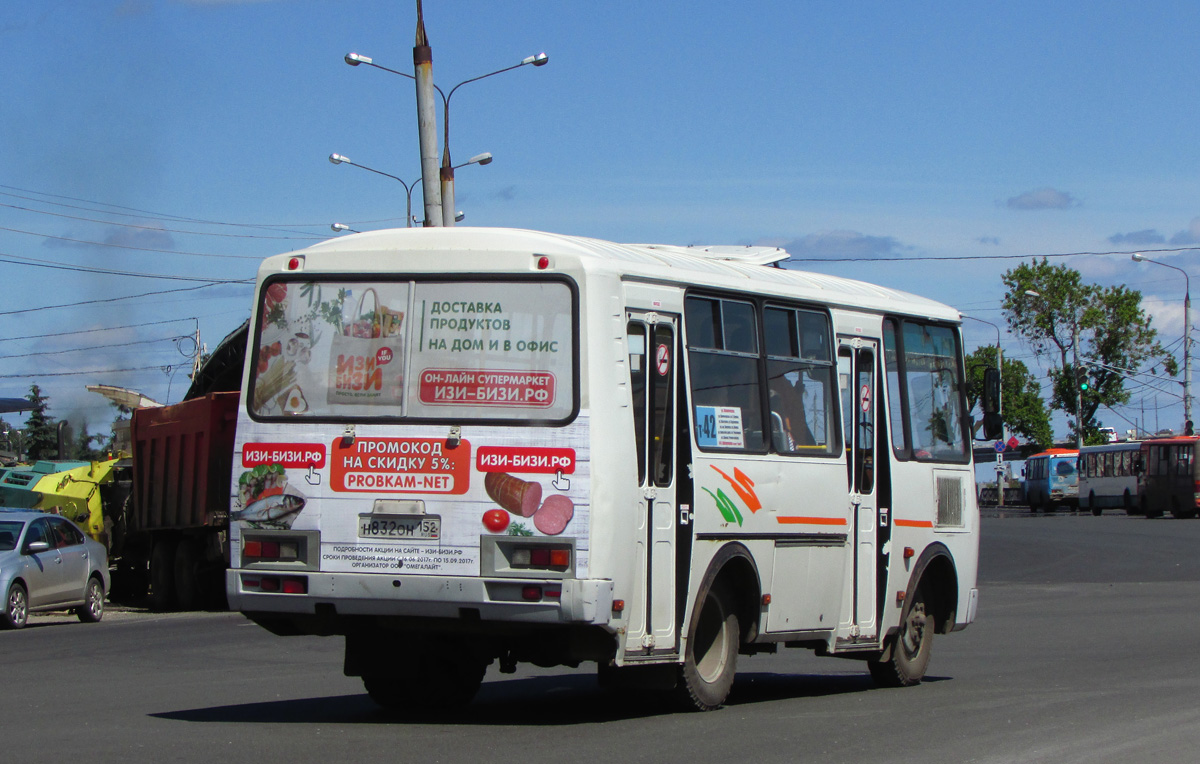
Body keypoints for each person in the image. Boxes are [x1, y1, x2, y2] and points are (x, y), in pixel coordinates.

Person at [769, 370, 815, 450]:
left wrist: (796, 393)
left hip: (799, 439)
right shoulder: (775, 382)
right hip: (789, 438)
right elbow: (784, 413)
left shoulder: (784, 384)